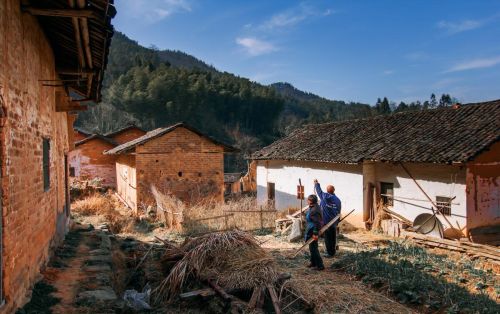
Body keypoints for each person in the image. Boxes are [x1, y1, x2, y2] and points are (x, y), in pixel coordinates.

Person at [314, 179, 341, 257]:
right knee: (333, 237)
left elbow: (319, 191)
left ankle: (330, 253)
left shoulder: (324, 196)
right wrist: (337, 221)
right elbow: (339, 211)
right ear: (334, 191)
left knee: (328, 238)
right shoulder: (338, 200)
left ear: (327, 190)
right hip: (334, 222)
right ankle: (332, 252)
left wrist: (316, 183)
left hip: (327, 222)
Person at [304, 194, 324, 270]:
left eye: (308, 200)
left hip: (313, 231)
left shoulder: (315, 210)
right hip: (310, 229)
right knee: (311, 247)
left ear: (311, 201)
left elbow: (317, 222)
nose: (307, 201)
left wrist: (315, 233)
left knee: (314, 248)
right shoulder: (313, 207)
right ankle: (313, 262)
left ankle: (320, 265)